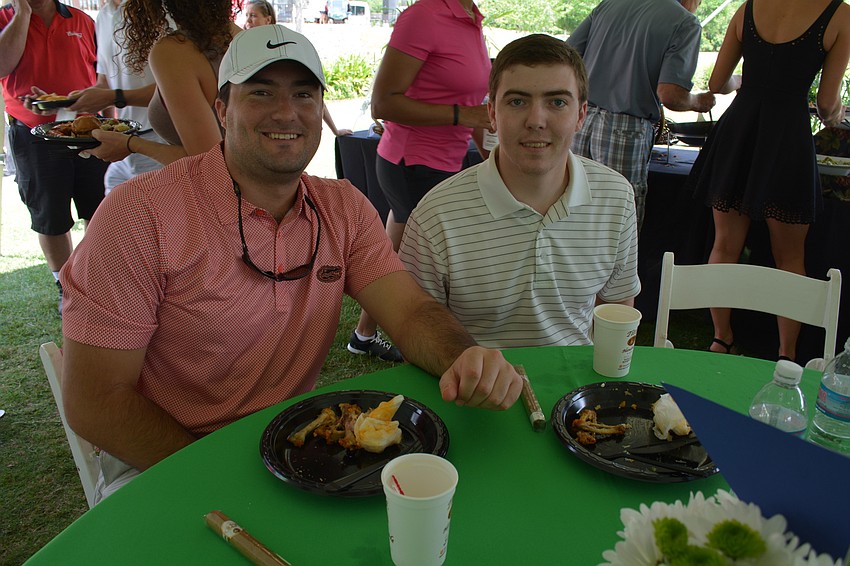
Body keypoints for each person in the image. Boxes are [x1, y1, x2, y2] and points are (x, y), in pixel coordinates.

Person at [60, 25, 523, 501]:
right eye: (261, 92)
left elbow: (409, 312)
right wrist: (219, 478)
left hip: (290, 450)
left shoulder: (342, 207)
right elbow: (97, 402)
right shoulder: (141, 214)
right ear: (222, 109)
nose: (287, 112)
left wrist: (463, 356)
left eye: (304, 94)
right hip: (163, 456)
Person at [398, 34, 641, 348]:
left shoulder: (616, 197)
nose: (536, 120)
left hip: (577, 390)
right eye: (517, 101)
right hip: (472, 387)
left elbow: (618, 302)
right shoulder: (436, 215)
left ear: (580, 115)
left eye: (557, 102)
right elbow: (414, 324)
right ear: (492, 114)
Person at [686, 0, 850, 361]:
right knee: (790, 256)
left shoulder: (749, 7)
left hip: (739, 130)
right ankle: (787, 353)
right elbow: (826, 103)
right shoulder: (841, 13)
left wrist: (741, 83)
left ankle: (721, 338)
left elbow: (717, 82)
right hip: (786, 137)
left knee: (725, 244)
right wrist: (835, 113)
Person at [347, 0, 492, 362]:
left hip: (443, 160)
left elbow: (472, 103)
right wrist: (464, 115)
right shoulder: (425, 15)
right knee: (430, 262)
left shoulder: (471, 18)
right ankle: (441, 348)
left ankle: (363, 335)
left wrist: (491, 156)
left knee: (392, 252)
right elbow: (383, 103)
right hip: (413, 162)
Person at [567, 0, 716, 232]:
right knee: (618, 223)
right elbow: (670, 95)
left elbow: (567, 56)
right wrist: (699, 102)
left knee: (572, 212)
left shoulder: (610, 5)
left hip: (580, 120)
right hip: (625, 130)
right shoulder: (684, 22)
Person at [0, 0, 109, 315]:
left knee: (100, 210)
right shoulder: (6, 17)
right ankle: (66, 288)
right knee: (50, 217)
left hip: (87, 129)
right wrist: (23, 14)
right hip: (33, 132)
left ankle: (96, 280)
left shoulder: (82, 20)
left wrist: (112, 121)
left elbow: (102, 75)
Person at [85, 0, 242, 166]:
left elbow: (208, 162)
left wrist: (131, 144)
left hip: (210, 187)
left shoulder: (173, 51)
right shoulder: (239, 35)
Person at [66, 0, 165, 193]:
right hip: (125, 143)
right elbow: (105, 82)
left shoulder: (160, 10)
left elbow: (176, 87)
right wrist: (75, 101)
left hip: (161, 139)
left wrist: (114, 96)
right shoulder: (103, 16)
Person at [240, 3, 353, 137]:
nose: (248, 20)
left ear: (268, 19)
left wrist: (335, 130)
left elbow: (314, 96)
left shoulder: (284, 47)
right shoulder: (239, 50)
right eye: (246, 15)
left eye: (253, 15)